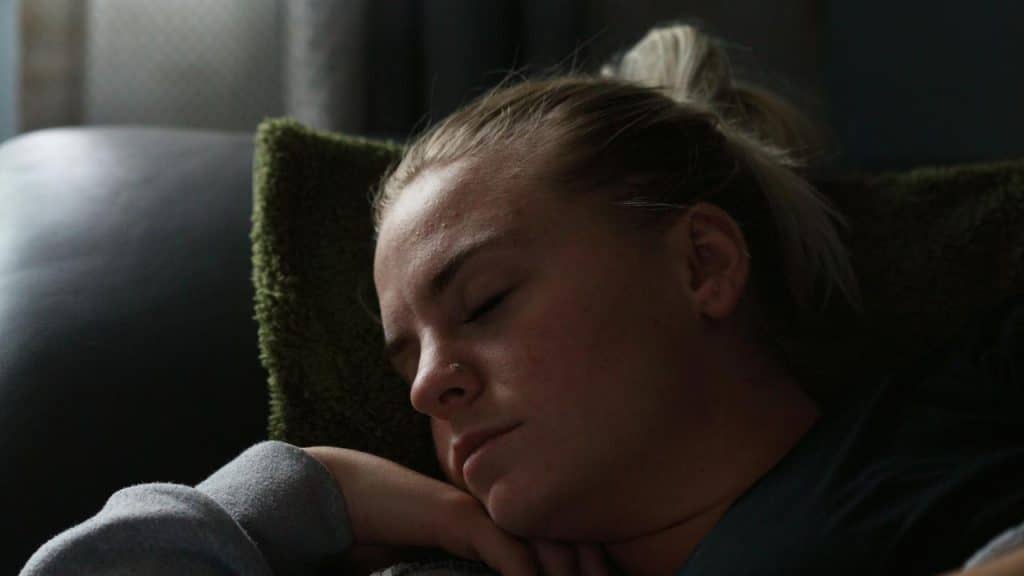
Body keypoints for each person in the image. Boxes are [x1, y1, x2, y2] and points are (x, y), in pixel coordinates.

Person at [21, 23, 1024, 576]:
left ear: (701, 266)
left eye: (486, 301)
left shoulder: (937, 423)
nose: (424, 390)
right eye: (401, 355)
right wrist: (306, 493)